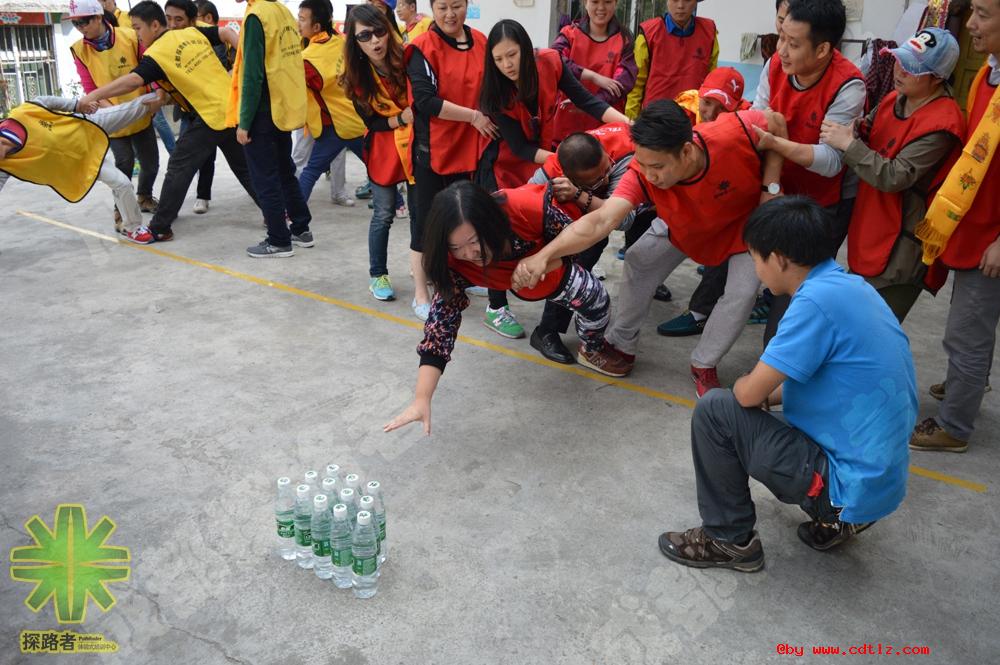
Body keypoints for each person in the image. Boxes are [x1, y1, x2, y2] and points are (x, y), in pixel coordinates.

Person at [657, 196, 917, 572]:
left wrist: (749, 387)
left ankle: (729, 540)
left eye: (755, 258)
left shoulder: (813, 302)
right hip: (881, 480)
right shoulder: (851, 288)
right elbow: (820, 382)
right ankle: (840, 520)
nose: (756, 270)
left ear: (778, 259)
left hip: (844, 484)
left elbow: (748, 393)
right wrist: (765, 394)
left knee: (716, 409)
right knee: (758, 406)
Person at [513, 100, 786, 396]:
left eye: (657, 166)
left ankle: (704, 363)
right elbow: (601, 220)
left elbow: (776, 121)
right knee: (639, 259)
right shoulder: (641, 173)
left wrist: (770, 186)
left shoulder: (733, 131)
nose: (650, 175)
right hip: (683, 223)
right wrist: (544, 255)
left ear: (686, 150)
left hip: (744, 227)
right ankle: (621, 343)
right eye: (642, 164)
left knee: (741, 294)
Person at [383, 181, 624, 435]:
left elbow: (578, 241)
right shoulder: (449, 263)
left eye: (473, 241)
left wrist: (542, 262)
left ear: (489, 222)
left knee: (597, 301)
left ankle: (591, 348)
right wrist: (422, 399)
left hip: (549, 273)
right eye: (455, 247)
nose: (469, 254)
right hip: (510, 279)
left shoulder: (524, 209)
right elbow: (440, 330)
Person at [478, 19, 630, 340]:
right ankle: (496, 306)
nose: (507, 65)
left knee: (538, 228)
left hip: (544, 157)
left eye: (512, 55)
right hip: (505, 164)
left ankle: (537, 281)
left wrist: (629, 125)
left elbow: (589, 101)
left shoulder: (550, 62)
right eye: (499, 59)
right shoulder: (495, 92)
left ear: (526, 49)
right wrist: (564, 160)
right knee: (502, 232)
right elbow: (520, 148)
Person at [78, 1, 257, 244]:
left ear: (154, 25)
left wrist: (92, 96)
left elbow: (132, 81)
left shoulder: (156, 54)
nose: (137, 35)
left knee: (178, 167)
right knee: (245, 168)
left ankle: (160, 227)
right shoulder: (190, 32)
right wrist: (245, 62)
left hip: (210, 115)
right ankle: (278, 213)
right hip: (231, 108)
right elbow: (224, 34)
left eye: (138, 28)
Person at [823, 29, 965, 322]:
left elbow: (895, 176)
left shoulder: (943, 124)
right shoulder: (894, 99)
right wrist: (852, 129)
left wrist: (848, 144)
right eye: (900, 60)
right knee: (851, 322)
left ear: (937, 78)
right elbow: (866, 128)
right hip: (870, 226)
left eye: (911, 68)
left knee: (873, 329)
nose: (899, 70)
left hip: (900, 245)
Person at [909, 0, 1000, 453]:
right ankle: (968, 381)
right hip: (972, 222)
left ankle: (954, 427)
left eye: (983, 14)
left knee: (966, 332)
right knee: (971, 325)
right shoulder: (987, 74)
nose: (971, 24)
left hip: (991, 237)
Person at [751, 0, 867, 345]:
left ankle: (781, 365)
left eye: (794, 43)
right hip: (776, 188)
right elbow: (757, 119)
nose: (782, 51)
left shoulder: (849, 84)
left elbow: (831, 161)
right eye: (781, 37)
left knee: (797, 295)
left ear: (822, 50)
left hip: (820, 202)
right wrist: (773, 171)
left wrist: (777, 141)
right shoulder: (775, 65)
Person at [405, 0, 498, 320]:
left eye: (456, 5)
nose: (450, 14)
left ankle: (461, 277)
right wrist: (473, 116)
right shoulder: (422, 48)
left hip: (470, 150)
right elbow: (425, 101)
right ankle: (421, 291)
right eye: (442, 7)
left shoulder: (482, 42)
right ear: (432, 8)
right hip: (432, 151)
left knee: (464, 219)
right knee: (425, 224)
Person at [525, 122, 639, 363]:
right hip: (592, 214)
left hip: (648, 206)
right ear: (569, 176)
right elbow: (525, 199)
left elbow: (624, 219)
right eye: (596, 180)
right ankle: (546, 330)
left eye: (606, 168)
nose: (605, 178)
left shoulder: (624, 156)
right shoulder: (556, 166)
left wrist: (580, 195)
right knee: (575, 257)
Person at [342, 3, 425, 305]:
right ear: (355, 42)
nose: (375, 41)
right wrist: (401, 118)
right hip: (383, 149)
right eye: (365, 36)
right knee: (384, 213)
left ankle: (421, 267)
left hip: (417, 145)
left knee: (420, 213)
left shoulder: (409, 58)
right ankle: (378, 274)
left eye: (379, 32)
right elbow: (372, 123)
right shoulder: (356, 78)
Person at [0, 94, 163, 244]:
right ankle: (133, 228)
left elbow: (43, 100)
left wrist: (77, 105)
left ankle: (169, 90)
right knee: (122, 183)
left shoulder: (23, 114)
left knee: (139, 106)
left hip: (85, 125)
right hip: (81, 161)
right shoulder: (5, 165)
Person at [229, 0, 311, 258]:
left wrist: (244, 122)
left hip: (262, 111)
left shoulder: (257, 16)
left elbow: (252, 74)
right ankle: (301, 229)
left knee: (265, 179)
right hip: (280, 106)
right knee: (285, 172)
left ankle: (278, 240)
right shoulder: (281, 11)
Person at [68, 0, 160, 231]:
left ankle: (144, 196)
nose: (80, 28)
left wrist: (156, 96)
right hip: (112, 116)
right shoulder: (79, 50)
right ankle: (121, 211)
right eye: (76, 24)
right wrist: (113, 111)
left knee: (150, 163)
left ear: (98, 17)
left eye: (84, 22)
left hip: (141, 110)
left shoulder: (130, 37)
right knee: (123, 165)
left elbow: (151, 68)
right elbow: (90, 87)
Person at [165, 0, 237, 217]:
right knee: (192, 160)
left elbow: (228, 67)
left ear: (206, 19)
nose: (174, 24)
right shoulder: (173, 42)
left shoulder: (215, 40)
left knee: (240, 162)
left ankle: (271, 209)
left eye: (181, 19)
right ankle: (200, 196)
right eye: (169, 19)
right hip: (190, 112)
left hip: (217, 109)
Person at [296, 0, 366, 209]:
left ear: (316, 26)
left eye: (302, 19)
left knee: (310, 169)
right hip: (352, 119)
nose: (298, 23)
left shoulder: (307, 59)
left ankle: (293, 214)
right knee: (374, 164)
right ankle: (398, 204)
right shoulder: (341, 43)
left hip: (332, 122)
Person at [551, 0, 637, 142]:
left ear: (615, 3)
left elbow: (622, 83)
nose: (601, 8)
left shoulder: (624, 40)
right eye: (595, 2)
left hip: (607, 133)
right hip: (566, 128)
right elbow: (555, 60)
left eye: (607, 2)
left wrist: (586, 103)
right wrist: (592, 76)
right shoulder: (569, 34)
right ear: (585, 3)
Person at [625, 0, 719, 118]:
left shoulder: (709, 32)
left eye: (687, 0)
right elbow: (636, 84)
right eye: (674, 0)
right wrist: (631, 120)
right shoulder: (649, 34)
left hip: (694, 118)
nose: (680, 6)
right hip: (655, 118)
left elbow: (712, 83)